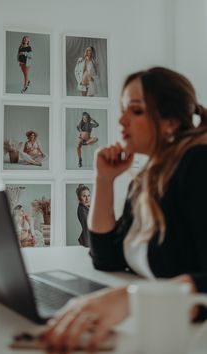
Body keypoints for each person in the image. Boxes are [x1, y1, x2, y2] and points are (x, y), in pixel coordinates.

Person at [41, 67, 207, 351]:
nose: (121, 120)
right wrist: (103, 180)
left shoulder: (198, 164)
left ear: (169, 121)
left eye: (136, 110)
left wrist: (132, 297)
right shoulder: (148, 179)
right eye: (122, 110)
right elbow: (107, 257)